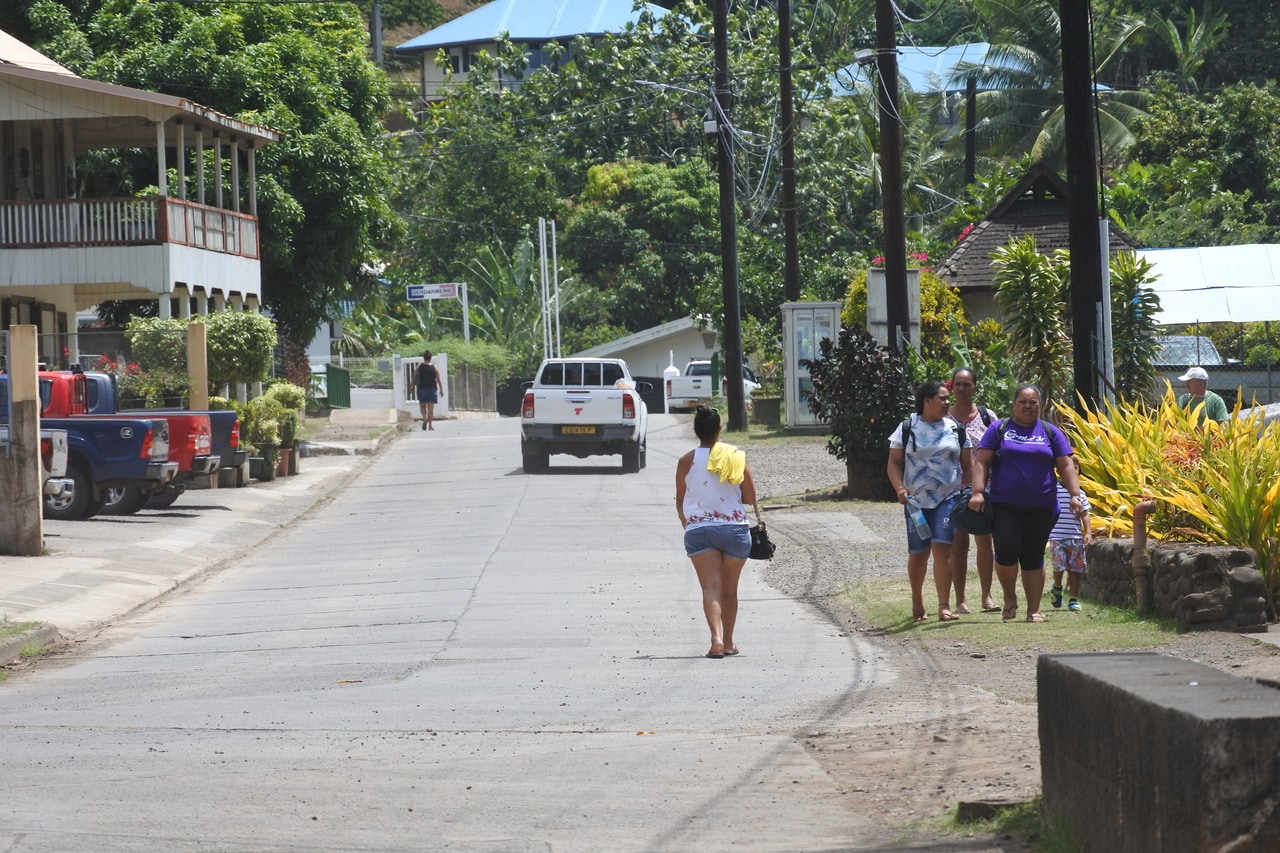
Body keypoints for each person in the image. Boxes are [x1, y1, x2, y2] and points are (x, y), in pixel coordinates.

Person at [966, 384, 1086, 623]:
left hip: (1041, 505)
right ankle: (1010, 598)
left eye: (1033, 402)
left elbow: (1065, 464)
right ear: (1014, 405)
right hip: (1004, 504)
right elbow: (982, 462)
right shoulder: (998, 429)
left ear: (1039, 405)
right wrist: (977, 492)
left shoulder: (1051, 432)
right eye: (1023, 401)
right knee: (1007, 550)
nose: (1028, 406)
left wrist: (1074, 494)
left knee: (1033, 556)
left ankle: (1034, 610)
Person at [675, 405, 757, 658]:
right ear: (719, 430)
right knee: (729, 590)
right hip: (734, 529)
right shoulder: (736, 457)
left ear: (696, 431)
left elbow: (680, 499)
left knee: (710, 588)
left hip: (700, 529)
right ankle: (730, 642)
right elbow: (750, 498)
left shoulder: (686, 461)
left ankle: (716, 639)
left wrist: (688, 523)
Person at [887, 380, 971, 623]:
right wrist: (900, 488)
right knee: (919, 553)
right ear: (927, 401)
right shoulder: (907, 427)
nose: (948, 403)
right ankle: (917, 602)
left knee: (942, 548)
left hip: (948, 498)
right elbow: (893, 462)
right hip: (915, 502)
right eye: (943, 398)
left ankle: (944, 606)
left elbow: (969, 465)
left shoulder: (956, 428)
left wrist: (972, 491)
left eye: (948, 398)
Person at [947, 367, 1000, 615]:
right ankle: (960, 600)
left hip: (984, 488)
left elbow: (1000, 450)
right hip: (953, 489)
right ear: (951, 387)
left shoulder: (988, 417)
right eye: (958, 384)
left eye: (967, 384)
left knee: (984, 540)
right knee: (958, 543)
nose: (962, 388)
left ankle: (987, 595)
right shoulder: (943, 418)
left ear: (975, 387)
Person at [1049, 457, 1092, 612]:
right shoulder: (1054, 489)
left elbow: (1085, 514)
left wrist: (1087, 532)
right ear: (1060, 471)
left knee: (1075, 569)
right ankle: (1058, 587)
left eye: (1076, 468)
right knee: (1058, 566)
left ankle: (1074, 599)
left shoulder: (1080, 493)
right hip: (1056, 536)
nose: (1072, 471)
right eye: (1068, 468)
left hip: (1074, 537)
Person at [415, 350, 444, 431]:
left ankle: (424, 418)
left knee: (422, 406)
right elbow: (438, 379)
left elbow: (414, 376)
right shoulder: (434, 367)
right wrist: (441, 389)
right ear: (430, 358)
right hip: (432, 389)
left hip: (422, 388)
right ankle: (430, 426)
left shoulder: (419, 366)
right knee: (430, 408)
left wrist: (411, 385)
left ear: (423, 358)